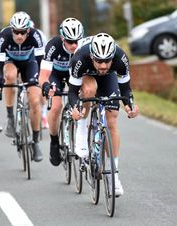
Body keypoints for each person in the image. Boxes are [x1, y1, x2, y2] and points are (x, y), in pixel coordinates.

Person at [67, 32, 139, 196]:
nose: (103, 65)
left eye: (107, 60)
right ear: (92, 56)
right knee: (89, 90)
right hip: (86, 75)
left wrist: (130, 106)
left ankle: (113, 175)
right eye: (99, 61)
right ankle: (82, 128)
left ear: (113, 57)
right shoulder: (80, 58)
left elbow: (126, 89)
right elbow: (72, 92)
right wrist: (75, 109)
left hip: (109, 79)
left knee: (112, 121)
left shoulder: (121, 59)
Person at [0, 11, 45, 162]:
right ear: (11, 30)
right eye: (16, 32)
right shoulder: (3, 36)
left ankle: (35, 142)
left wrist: (38, 82)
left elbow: (41, 64)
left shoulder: (36, 36)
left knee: (35, 101)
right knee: (9, 76)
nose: (19, 36)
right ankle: (10, 117)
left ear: (28, 30)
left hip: (30, 63)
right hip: (11, 62)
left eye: (23, 32)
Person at [39, 17, 84, 166]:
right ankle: (54, 142)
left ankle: (81, 135)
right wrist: (45, 86)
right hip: (56, 75)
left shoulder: (82, 47)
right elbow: (44, 75)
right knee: (56, 106)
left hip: (74, 75)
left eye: (77, 41)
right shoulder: (53, 45)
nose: (74, 45)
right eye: (70, 42)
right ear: (62, 38)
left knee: (83, 100)